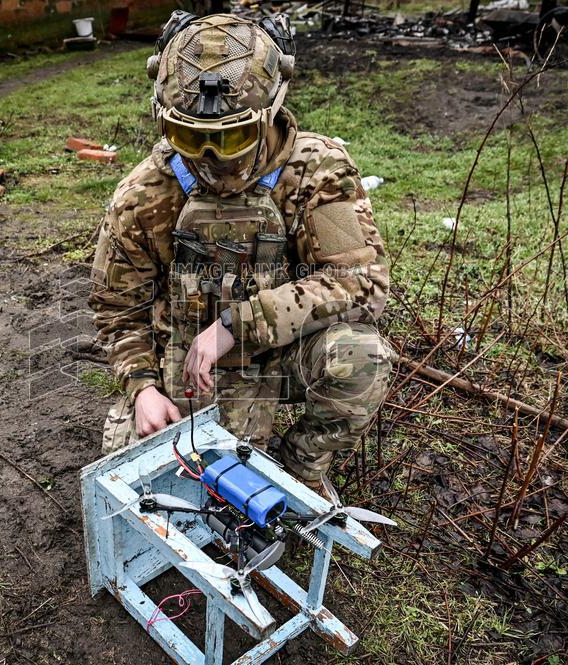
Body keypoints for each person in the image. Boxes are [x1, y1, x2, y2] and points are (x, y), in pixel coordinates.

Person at [89, 11, 396, 486]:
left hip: (283, 351)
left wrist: (237, 324)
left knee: (360, 358)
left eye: (232, 137)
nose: (210, 157)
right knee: (142, 479)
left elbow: (362, 281)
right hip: (185, 360)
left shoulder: (316, 172)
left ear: (270, 113)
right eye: (190, 138)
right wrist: (142, 388)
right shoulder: (144, 194)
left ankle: (301, 467)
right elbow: (117, 310)